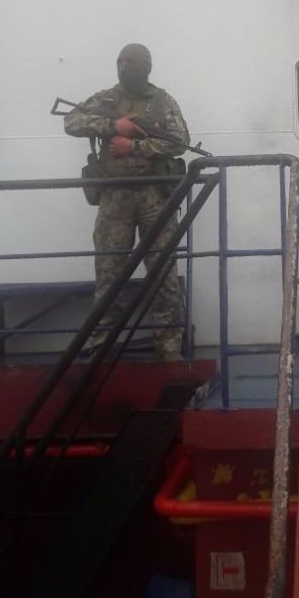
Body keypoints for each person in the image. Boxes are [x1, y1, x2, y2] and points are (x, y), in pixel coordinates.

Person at [64, 44, 190, 361]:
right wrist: (112, 126)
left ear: (145, 65)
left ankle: (169, 347)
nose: (123, 66)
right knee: (109, 272)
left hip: (154, 196)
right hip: (114, 197)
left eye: (130, 61)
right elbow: (71, 121)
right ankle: (101, 345)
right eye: (119, 60)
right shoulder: (106, 99)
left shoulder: (162, 101)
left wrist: (134, 146)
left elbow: (179, 142)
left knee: (162, 272)